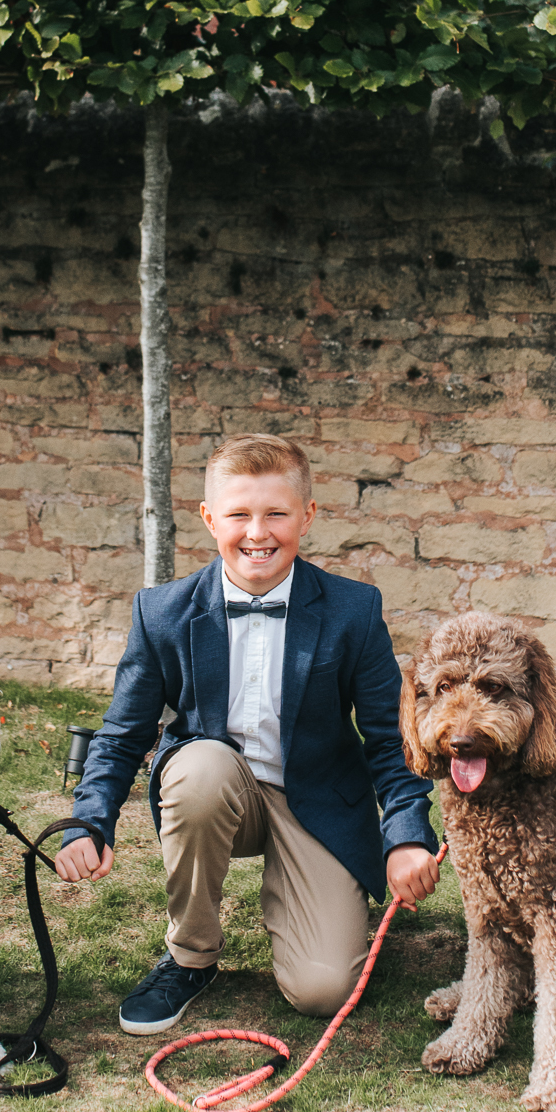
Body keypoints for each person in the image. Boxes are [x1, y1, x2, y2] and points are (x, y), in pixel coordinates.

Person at [55, 431, 441, 1036]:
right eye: (238, 514)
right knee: (201, 767)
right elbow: (122, 733)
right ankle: (190, 955)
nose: (257, 533)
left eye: (276, 514)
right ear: (210, 518)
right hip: (213, 791)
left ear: (307, 516)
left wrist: (406, 836)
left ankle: (315, 901)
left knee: (322, 990)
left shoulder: (354, 610)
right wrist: (89, 822)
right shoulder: (162, 612)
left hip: (316, 800)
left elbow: (391, 741)